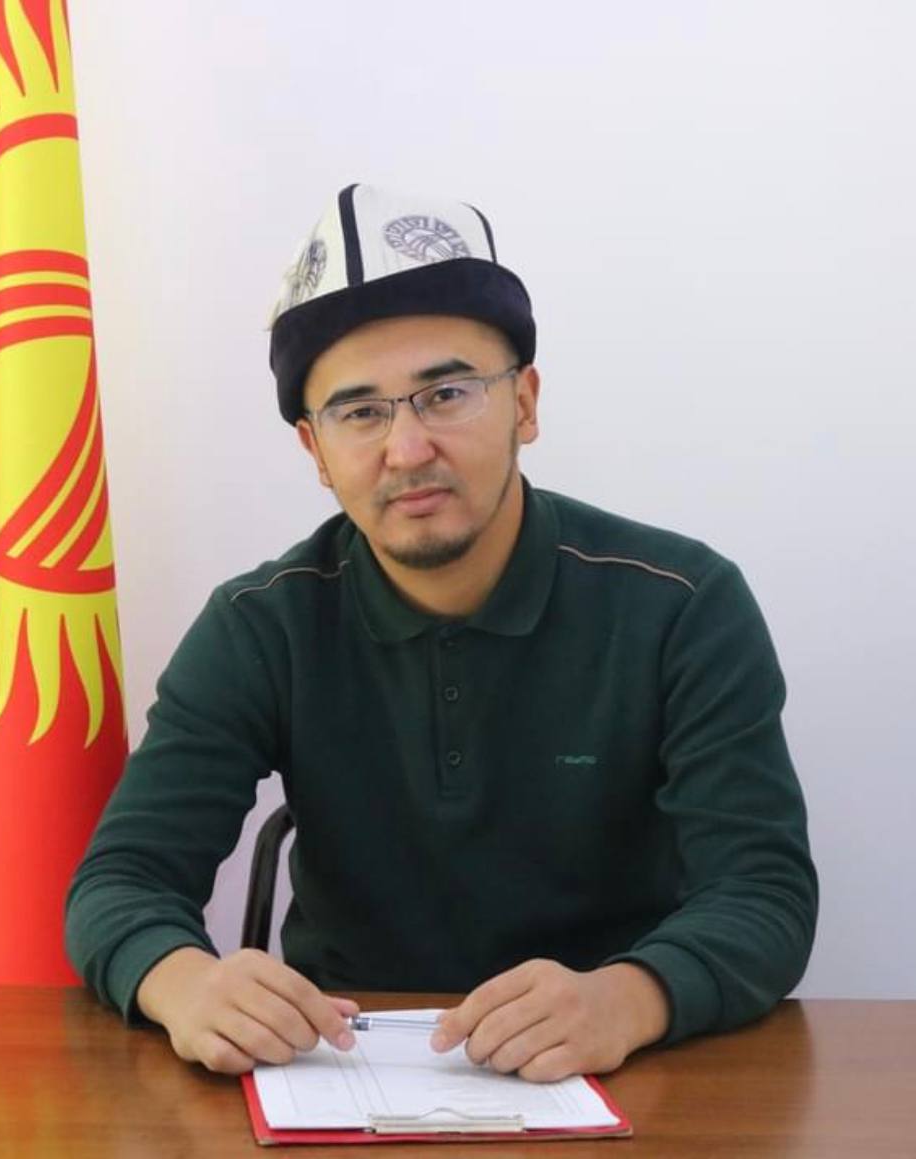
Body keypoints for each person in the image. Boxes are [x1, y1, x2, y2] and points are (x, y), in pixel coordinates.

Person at [65, 184, 818, 1082]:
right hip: (340, 1075)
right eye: (360, 412)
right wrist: (182, 980)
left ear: (524, 403)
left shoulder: (683, 605)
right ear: (315, 450)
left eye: (447, 393)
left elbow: (763, 892)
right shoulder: (260, 625)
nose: (408, 448)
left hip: (614, 1072)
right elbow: (120, 880)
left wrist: (626, 999)